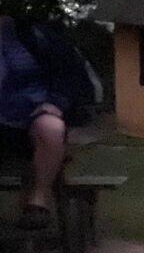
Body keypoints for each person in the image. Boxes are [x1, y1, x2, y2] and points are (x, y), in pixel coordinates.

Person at [0, 15, 96, 229]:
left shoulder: (32, 35)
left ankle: (38, 202)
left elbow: (70, 75)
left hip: (31, 117)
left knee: (51, 128)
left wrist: (56, 102)